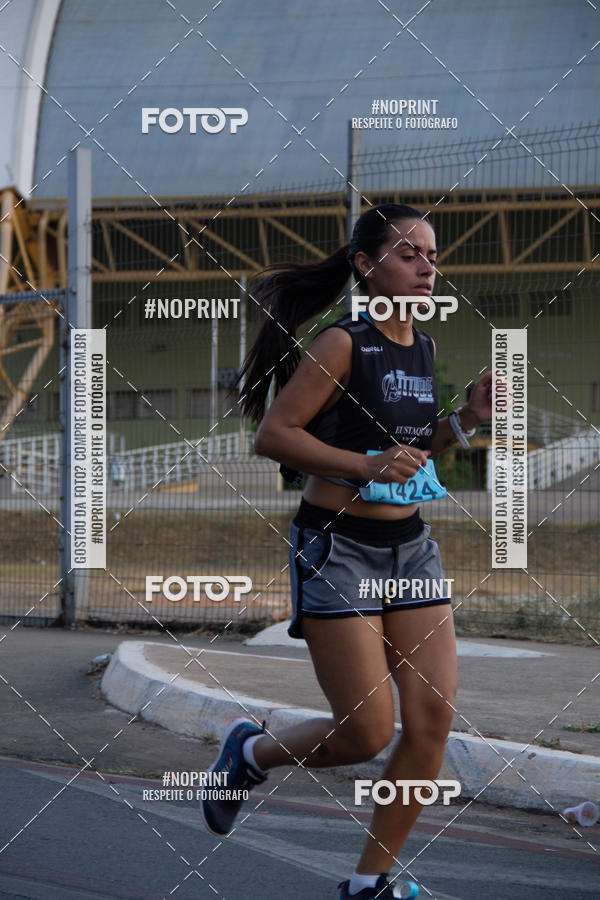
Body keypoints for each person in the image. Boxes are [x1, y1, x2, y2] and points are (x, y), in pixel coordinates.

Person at [201, 204, 492, 898]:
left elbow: (410, 450)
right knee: (365, 734)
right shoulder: (341, 344)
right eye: (409, 255)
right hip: (339, 549)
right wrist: (363, 466)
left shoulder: (421, 347)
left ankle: (369, 884)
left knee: (431, 723)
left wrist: (464, 420)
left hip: (411, 550)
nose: (427, 267)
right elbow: (274, 436)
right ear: (366, 265)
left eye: (432, 255)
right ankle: (249, 752)